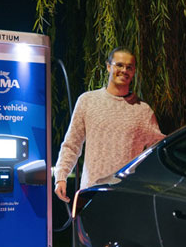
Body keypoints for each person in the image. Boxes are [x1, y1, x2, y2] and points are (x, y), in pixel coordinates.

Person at [54, 47, 165, 202]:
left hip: (128, 196)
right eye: (119, 65)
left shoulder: (143, 111)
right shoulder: (87, 101)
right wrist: (61, 177)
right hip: (91, 193)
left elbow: (159, 150)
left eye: (129, 67)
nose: (124, 70)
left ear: (134, 72)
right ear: (108, 66)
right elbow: (72, 144)